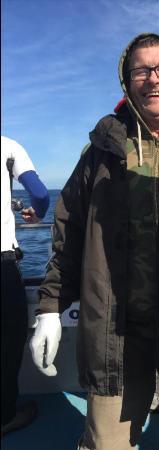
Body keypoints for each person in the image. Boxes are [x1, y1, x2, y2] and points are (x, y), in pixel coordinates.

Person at [29, 33, 159, 449]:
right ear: (127, 80)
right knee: (104, 443)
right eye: (141, 70)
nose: (154, 79)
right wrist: (49, 307)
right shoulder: (100, 152)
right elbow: (69, 235)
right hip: (116, 337)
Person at [1, 136, 50, 436]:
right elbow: (41, 194)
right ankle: (5, 415)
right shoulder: (7, 146)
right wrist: (38, 214)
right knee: (8, 340)